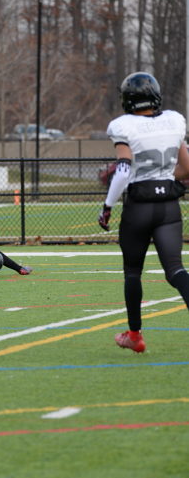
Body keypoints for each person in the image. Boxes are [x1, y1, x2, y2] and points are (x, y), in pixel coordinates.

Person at [98, 71, 189, 352]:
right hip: (168, 206)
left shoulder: (123, 126)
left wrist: (107, 206)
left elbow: (124, 170)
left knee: (133, 273)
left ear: (127, 100)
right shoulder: (174, 121)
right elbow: (186, 168)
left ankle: (135, 336)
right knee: (175, 270)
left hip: (139, 206)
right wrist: (163, 177)